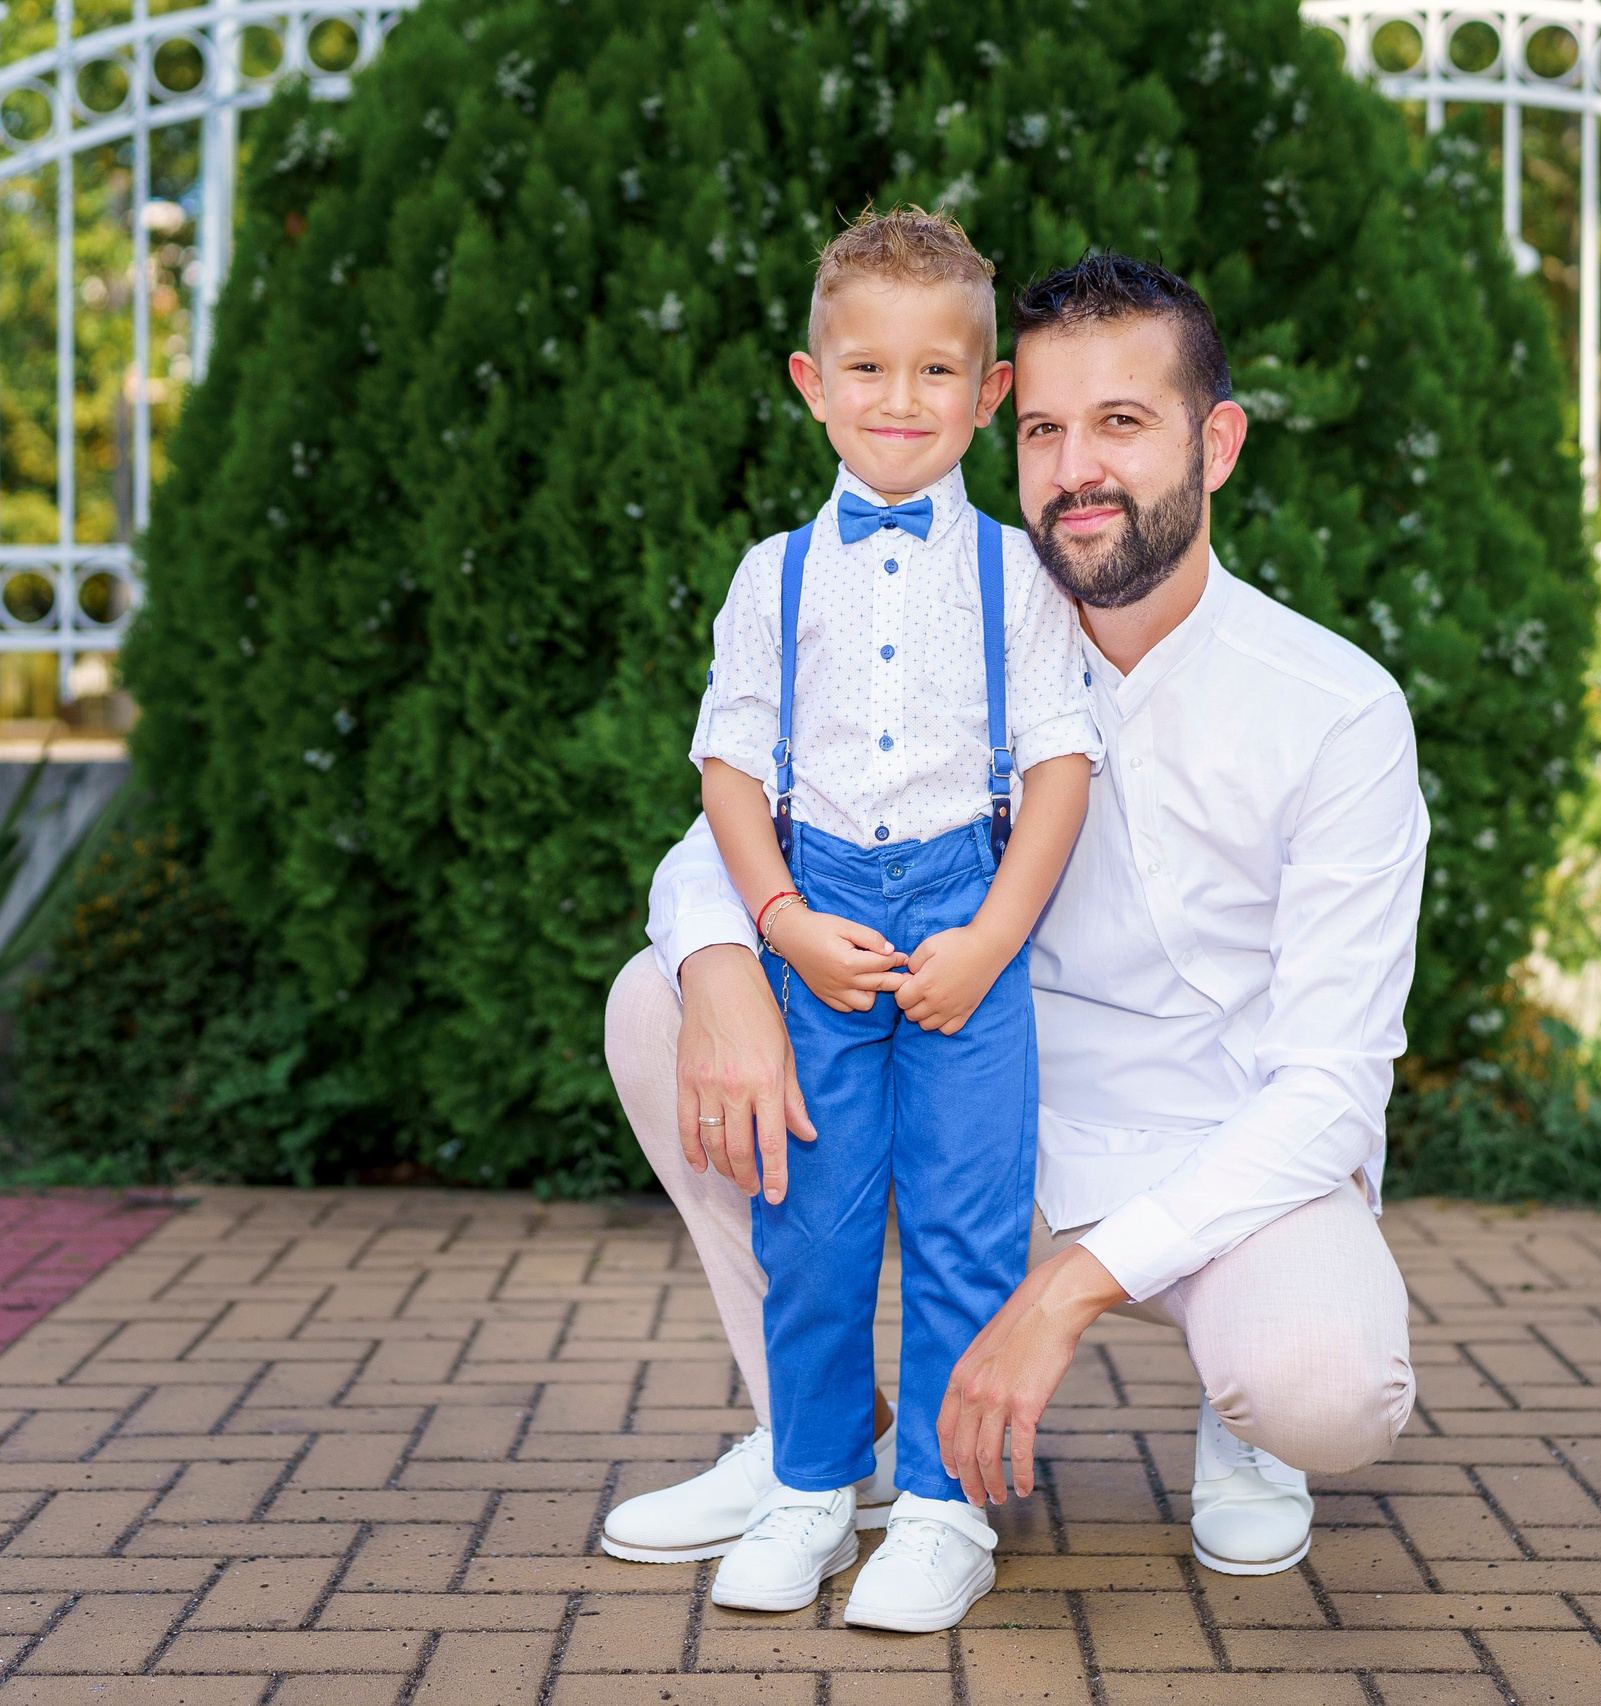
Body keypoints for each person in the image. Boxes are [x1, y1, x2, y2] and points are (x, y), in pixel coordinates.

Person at [604, 252, 1423, 1589]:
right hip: (979, 1080)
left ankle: (1239, 1404)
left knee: (1324, 1381)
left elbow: (1332, 1086)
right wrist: (727, 961)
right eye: (1046, 427)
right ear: (1005, 428)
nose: (1075, 468)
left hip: (1215, 1142)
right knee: (661, 999)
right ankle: (815, 1437)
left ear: (1214, 444)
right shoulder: (956, 609)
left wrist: (1071, 1284)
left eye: (1121, 422)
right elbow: (734, 816)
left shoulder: (1335, 708)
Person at [629, 207, 1100, 1633]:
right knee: (814, 1225)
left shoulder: (1017, 574)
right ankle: (811, 1484)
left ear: (991, 391)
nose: (903, 403)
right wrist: (778, 919)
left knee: (964, 1223)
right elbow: (730, 766)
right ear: (810, 380)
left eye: (939, 373)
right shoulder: (773, 572)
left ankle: (945, 1508)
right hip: (818, 912)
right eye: (869, 370)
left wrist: (993, 938)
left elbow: (1059, 768)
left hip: (969, 911)